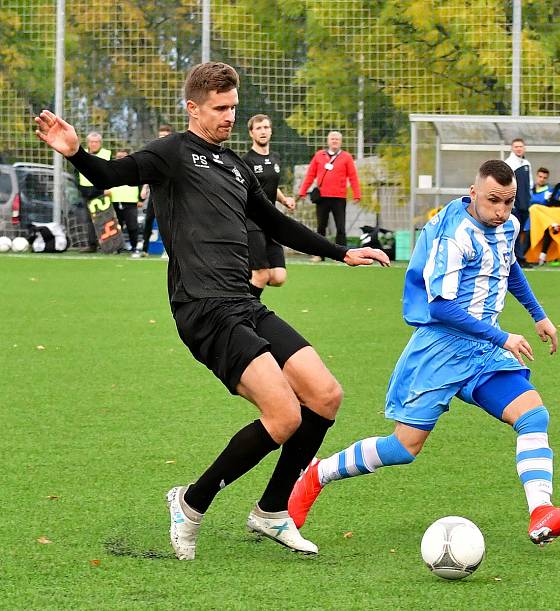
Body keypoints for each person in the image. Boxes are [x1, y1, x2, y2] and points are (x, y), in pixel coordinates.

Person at [35, 62, 389, 561]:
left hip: (244, 301)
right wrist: (76, 152)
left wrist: (341, 251)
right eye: (220, 109)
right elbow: (113, 174)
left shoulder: (236, 165)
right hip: (203, 308)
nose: (229, 117)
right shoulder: (173, 153)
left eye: (233, 108)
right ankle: (190, 503)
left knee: (326, 396)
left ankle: (271, 511)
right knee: (284, 414)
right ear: (193, 107)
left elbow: (276, 223)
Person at [288, 160, 560, 547]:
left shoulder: (509, 225)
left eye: (508, 202)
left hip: (483, 351)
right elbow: (440, 308)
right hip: (440, 350)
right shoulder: (456, 236)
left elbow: (508, 266)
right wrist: (502, 337)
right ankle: (317, 474)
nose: (500, 211)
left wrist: (539, 315)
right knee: (403, 448)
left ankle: (541, 513)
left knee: (533, 415)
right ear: (473, 193)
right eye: (492, 201)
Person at [242, 114, 295, 297]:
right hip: (253, 223)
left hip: (270, 223)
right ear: (251, 133)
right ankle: (245, 311)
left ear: (271, 130)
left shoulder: (275, 158)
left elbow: (271, 186)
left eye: (266, 127)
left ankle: (243, 277)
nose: (263, 131)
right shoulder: (246, 161)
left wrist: (284, 199)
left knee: (278, 277)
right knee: (262, 275)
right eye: (258, 128)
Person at [298, 131, 361, 260]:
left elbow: (353, 177)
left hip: (339, 197)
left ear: (341, 142)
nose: (334, 141)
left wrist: (357, 194)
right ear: (328, 141)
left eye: (337, 139)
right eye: (332, 139)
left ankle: (342, 255)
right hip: (322, 197)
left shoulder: (346, 157)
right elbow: (310, 174)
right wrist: (302, 191)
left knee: (340, 227)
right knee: (321, 227)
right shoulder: (319, 156)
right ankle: (319, 254)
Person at [141, 123, 173, 257]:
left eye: (165, 136)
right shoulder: (154, 152)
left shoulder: (175, 153)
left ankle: (169, 250)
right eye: (160, 136)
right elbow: (149, 171)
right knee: (148, 219)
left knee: (168, 221)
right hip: (155, 193)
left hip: (170, 194)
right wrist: (144, 187)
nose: (162, 138)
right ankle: (144, 249)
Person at [76, 131, 112, 253]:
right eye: (92, 142)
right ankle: (92, 245)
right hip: (86, 191)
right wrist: (79, 187)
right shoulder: (82, 154)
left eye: (96, 142)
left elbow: (112, 172)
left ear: (100, 143)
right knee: (89, 219)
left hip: (100, 190)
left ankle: (107, 245)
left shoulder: (107, 154)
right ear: (88, 143)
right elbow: (76, 172)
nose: (94, 144)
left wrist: (109, 187)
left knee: (104, 219)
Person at [504, 138, 532, 266]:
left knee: (520, 231)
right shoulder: (509, 163)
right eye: (516, 146)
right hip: (515, 204)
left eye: (521, 146)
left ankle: (518, 257)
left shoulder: (526, 163)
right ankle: (518, 259)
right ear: (512, 148)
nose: (519, 149)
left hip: (525, 203)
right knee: (514, 230)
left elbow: (529, 183)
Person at [108, 149, 141, 255]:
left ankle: (134, 247)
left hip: (130, 202)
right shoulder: (111, 169)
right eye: (118, 156)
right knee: (117, 227)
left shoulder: (135, 169)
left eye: (123, 156)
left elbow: (141, 183)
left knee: (132, 226)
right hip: (115, 201)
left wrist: (141, 199)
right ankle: (117, 248)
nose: (120, 159)